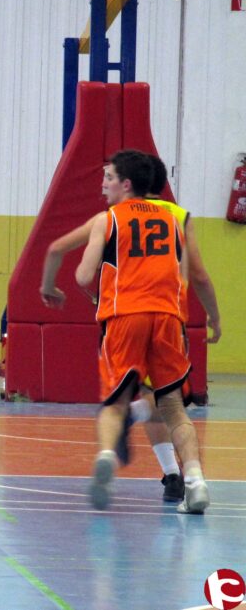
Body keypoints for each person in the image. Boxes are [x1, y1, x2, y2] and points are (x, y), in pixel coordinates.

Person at [40, 152, 221, 502]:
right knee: (173, 408)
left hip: (125, 315)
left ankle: (107, 456)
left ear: (126, 183)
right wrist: (214, 315)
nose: (103, 184)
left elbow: (81, 274)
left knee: (114, 403)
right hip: (169, 317)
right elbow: (196, 274)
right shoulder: (174, 219)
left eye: (108, 177)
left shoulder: (107, 219)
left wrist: (89, 291)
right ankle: (195, 481)